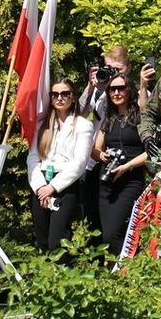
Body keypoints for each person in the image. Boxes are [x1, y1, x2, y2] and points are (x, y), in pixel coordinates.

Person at [78, 45, 154, 234]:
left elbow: (146, 115)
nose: (112, 76)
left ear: (127, 68)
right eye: (108, 68)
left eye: (117, 70)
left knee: (118, 228)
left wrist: (143, 86)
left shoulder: (136, 94)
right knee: (95, 226)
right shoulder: (100, 93)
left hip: (130, 168)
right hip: (97, 165)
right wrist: (91, 86)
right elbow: (77, 114)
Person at [26, 76, 94, 253]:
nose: (60, 98)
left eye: (65, 93)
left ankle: (64, 276)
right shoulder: (41, 125)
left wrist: (53, 187)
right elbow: (32, 158)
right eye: (55, 94)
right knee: (42, 240)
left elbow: (79, 162)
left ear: (73, 97)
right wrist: (41, 187)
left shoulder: (83, 125)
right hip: (40, 184)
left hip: (65, 186)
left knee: (58, 241)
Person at [92, 75, 150, 257]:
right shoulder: (109, 118)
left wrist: (128, 166)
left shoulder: (140, 117)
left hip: (130, 180)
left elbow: (151, 152)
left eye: (121, 88)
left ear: (129, 90)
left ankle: (125, 272)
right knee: (107, 236)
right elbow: (95, 149)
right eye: (112, 89)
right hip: (107, 181)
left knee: (115, 233)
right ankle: (114, 274)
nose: (116, 93)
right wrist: (101, 155)